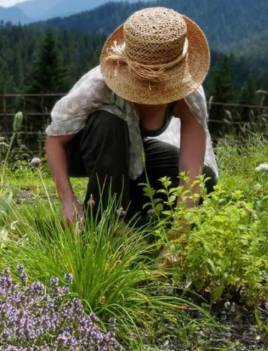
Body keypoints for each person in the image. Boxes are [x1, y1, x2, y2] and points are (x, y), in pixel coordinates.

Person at [45, 7, 218, 224]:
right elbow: (54, 141)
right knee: (109, 122)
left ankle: (137, 213)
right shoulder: (98, 85)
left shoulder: (189, 93)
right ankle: (104, 224)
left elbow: (190, 171)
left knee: (205, 179)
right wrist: (67, 201)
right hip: (86, 149)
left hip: (132, 152)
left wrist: (178, 236)